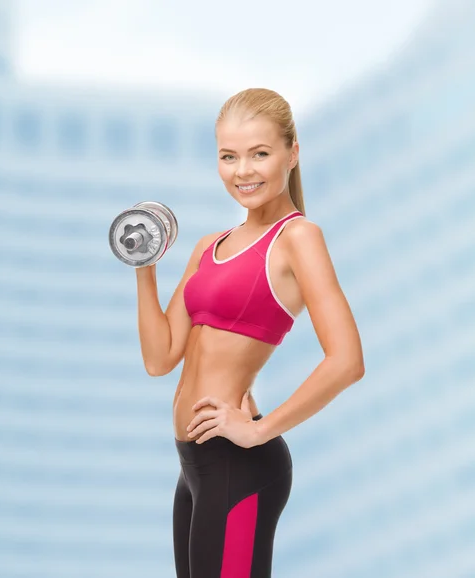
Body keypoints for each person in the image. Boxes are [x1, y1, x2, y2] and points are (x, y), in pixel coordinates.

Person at [135, 88, 364, 578]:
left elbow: (346, 360)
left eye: (260, 154)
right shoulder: (208, 246)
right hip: (194, 464)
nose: (244, 171)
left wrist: (260, 429)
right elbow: (160, 358)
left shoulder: (298, 239)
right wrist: (144, 268)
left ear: (292, 153)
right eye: (229, 156)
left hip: (238, 464)